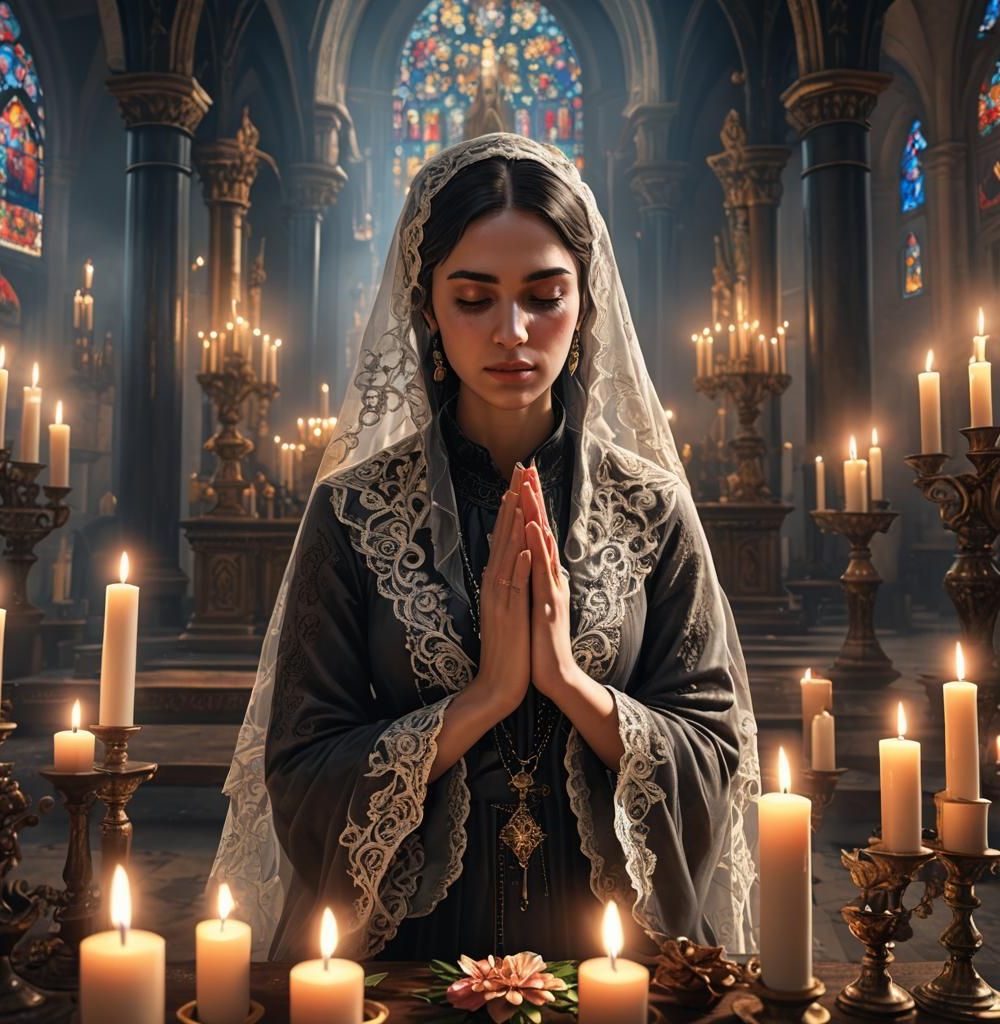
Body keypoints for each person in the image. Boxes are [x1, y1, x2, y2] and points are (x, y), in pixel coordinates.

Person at [210, 133, 759, 964]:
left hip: (612, 936)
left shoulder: (651, 507)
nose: (512, 331)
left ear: (587, 302)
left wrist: (571, 686)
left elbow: (716, 752)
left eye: (544, 296)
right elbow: (301, 768)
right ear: (426, 307)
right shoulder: (353, 511)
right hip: (411, 936)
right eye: (474, 299)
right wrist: (485, 698)